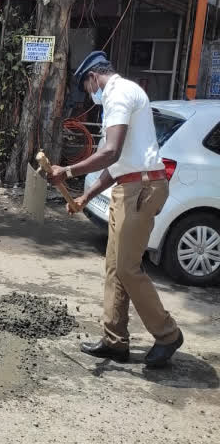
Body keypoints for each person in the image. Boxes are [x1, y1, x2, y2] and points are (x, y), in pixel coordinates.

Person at [47, 51, 183, 367]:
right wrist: (85, 196)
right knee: (115, 267)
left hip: (141, 189)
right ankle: (114, 340)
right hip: (130, 186)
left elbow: (110, 152)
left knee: (127, 268)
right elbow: (118, 164)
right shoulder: (121, 95)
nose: (89, 94)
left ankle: (168, 334)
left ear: (93, 77)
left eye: (86, 86)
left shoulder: (118, 94)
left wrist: (66, 173)